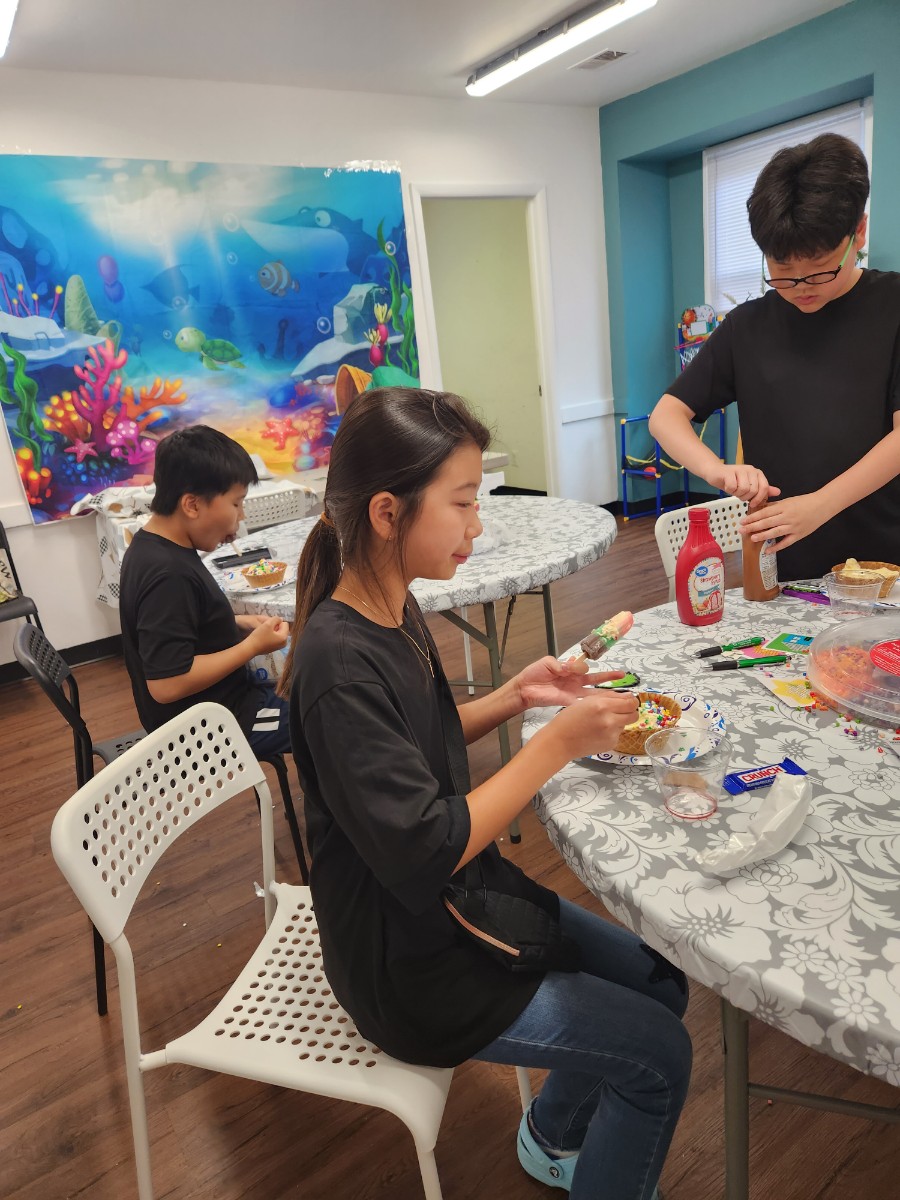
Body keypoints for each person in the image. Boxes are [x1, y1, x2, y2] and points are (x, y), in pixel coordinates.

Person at [282, 387, 691, 1200]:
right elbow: (427, 847)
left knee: (661, 983)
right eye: (464, 503)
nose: (478, 526)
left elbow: (420, 743)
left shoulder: (392, 608)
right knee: (660, 1056)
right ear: (388, 513)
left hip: (461, 900)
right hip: (409, 966)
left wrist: (514, 697)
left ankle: (551, 1134)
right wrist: (558, 742)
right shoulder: (338, 665)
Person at [649, 133, 900, 580]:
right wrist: (718, 471)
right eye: (782, 270)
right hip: (783, 570)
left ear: (858, 232)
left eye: (819, 268)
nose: (801, 287)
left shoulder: (894, 306)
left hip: (886, 566)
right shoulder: (747, 326)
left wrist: (818, 506)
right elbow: (666, 416)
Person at [120, 425, 292, 756]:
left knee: (315, 694)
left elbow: (180, 624)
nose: (241, 516)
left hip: (217, 707)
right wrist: (252, 647)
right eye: (236, 503)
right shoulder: (167, 574)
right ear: (192, 505)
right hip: (210, 728)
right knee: (326, 717)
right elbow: (167, 684)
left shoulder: (152, 546)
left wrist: (235, 624)